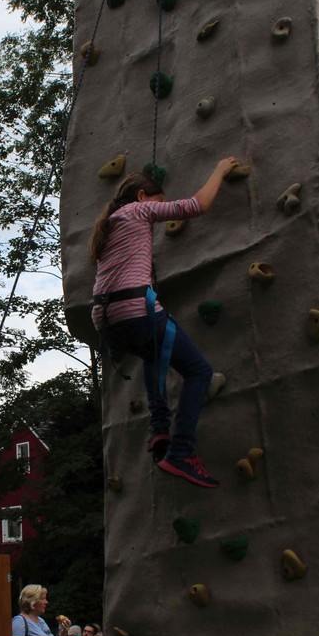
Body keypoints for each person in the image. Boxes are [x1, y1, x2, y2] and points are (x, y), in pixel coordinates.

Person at [90, 158, 240, 488]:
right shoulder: (137, 211)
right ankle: (182, 452)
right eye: (158, 203)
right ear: (143, 197)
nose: (158, 213)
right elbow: (196, 205)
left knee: (152, 355)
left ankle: (160, 431)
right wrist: (221, 169)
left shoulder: (110, 224)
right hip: (134, 309)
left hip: (106, 319)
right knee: (199, 372)